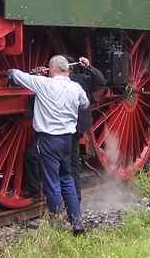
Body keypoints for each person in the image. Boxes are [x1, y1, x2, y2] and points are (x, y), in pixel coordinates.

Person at [7, 55, 89, 235]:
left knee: (52, 182)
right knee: (66, 178)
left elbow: (17, 75)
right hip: (67, 140)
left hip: (48, 140)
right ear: (67, 69)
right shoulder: (76, 87)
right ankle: (76, 222)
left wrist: (11, 72)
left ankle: (57, 223)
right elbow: (85, 104)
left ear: (51, 69)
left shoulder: (44, 84)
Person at [23, 56, 106, 201]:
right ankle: (36, 191)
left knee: (71, 166)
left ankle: (75, 199)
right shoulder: (50, 83)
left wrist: (89, 67)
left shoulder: (80, 80)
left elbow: (101, 83)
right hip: (54, 131)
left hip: (72, 131)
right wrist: (36, 74)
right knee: (33, 155)